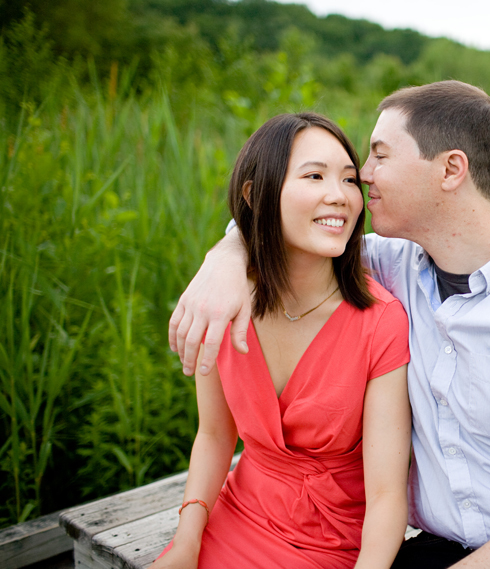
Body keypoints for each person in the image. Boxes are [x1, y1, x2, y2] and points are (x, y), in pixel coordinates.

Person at [170, 81, 490, 569]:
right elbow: (284, 228)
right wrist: (224, 257)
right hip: (435, 547)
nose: (363, 177)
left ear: (451, 169)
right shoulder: (392, 264)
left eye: (379, 156)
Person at [155, 112, 411, 569]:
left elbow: (388, 497)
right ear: (256, 195)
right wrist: (187, 541)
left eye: (350, 180)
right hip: (235, 517)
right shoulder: (225, 301)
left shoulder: (381, 323)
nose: (339, 196)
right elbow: (214, 435)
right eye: (314, 176)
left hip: (333, 544)